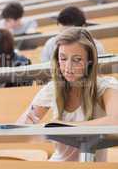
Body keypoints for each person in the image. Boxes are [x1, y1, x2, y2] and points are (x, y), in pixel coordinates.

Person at [17, 27, 118, 161]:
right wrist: (29, 123)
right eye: (63, 59)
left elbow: (115, 121)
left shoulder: (106, 86)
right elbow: (21, 125)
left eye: (77, 59)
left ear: (90, 61)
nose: (68, 67)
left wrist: (63, 128)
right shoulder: (52, 88)